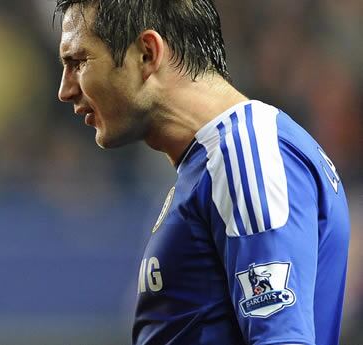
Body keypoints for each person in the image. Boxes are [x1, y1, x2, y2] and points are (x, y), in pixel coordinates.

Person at [54, 1, 350, 345]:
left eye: (78, 62)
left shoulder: (246, 155)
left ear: (147, 54)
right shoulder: (215, 163)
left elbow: (282, 339)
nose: (65, 90)